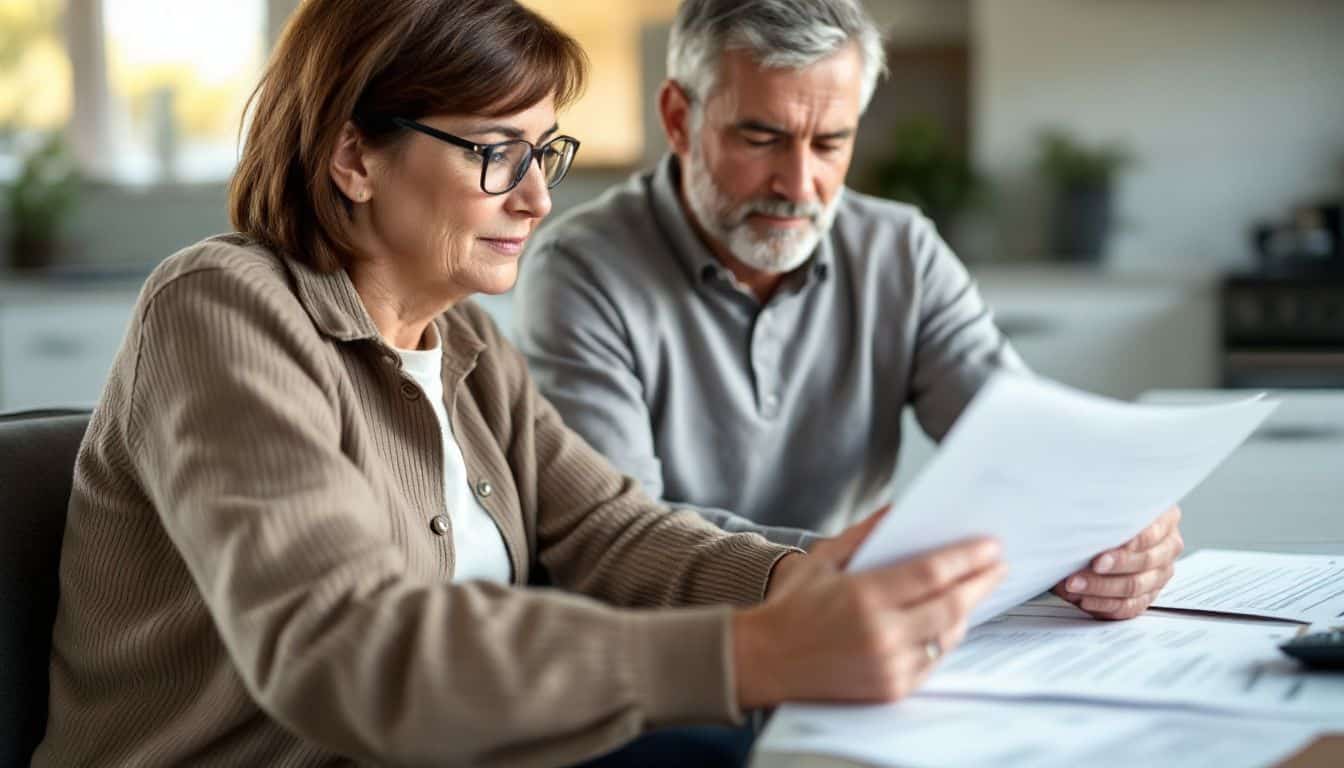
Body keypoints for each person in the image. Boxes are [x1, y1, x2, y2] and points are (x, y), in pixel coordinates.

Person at [32, 2, 1006, 767]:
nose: (538, 196)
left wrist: (802, 578)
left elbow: (611, 532)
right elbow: (341, 648)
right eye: (498, 152)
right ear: (353, 155)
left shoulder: (464, 347)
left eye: (544, 152)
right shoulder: (226, 310)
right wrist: (751, 654)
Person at [515, 0, 1182, 623]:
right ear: (678, 120)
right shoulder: (579, 268)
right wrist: (847, 565)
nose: (799, 184)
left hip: (861, 618)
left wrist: (1119, 520)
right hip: (680, 647)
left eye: (831, 143)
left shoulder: (902, 250)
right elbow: (620, 539)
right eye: (761, 137)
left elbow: (1021, 439)